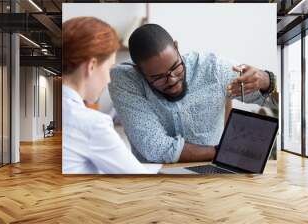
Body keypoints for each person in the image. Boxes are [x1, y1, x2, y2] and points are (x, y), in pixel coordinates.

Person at [108, 24, 278, 163]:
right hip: (156, 181)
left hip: (213, 178)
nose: (172, 80)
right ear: (138, 70)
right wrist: (222, 152)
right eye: (158, 77)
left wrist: (267, 80)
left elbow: (276, 102)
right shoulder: (125, 79)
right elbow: (156, 148)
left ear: (176, 47)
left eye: (175, 67)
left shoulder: (213, 69)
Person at [62, 17, 152, 174]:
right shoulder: (91, 123)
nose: (109, 79)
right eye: (109, 68)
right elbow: (140, 179)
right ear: (91, 66)